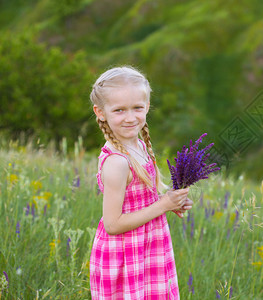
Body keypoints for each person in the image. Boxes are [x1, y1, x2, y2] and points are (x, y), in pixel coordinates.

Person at [89, 66, 192, 299]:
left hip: (148, 246)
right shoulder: (117, 162)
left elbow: (146, 195)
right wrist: (162, 206)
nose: (130, 117)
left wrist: (172, 201)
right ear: (101, 112)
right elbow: (112, 224)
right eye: (119, 110)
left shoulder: (139, 146)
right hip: (124, 256)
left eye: (137, 108)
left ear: (147, 106)